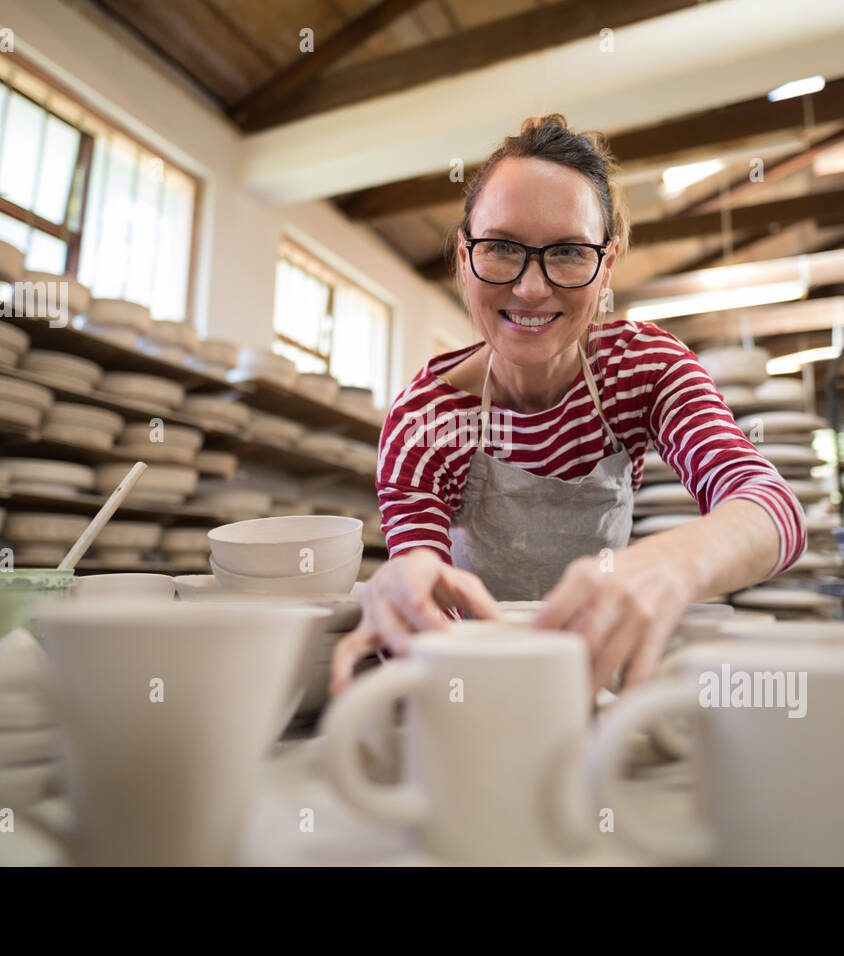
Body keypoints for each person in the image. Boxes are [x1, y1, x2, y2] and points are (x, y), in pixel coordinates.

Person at [331, 114, 806, 696]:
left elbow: (772, 508)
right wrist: (404, 589)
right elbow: (428, 601)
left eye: (569, 252)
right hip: (478, 682)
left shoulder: (644, 369)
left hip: (602, 676)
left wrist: (674, 563)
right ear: (464, 255)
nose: (532, 288)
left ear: (605, 266)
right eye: (502, 247)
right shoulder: (425, 420)